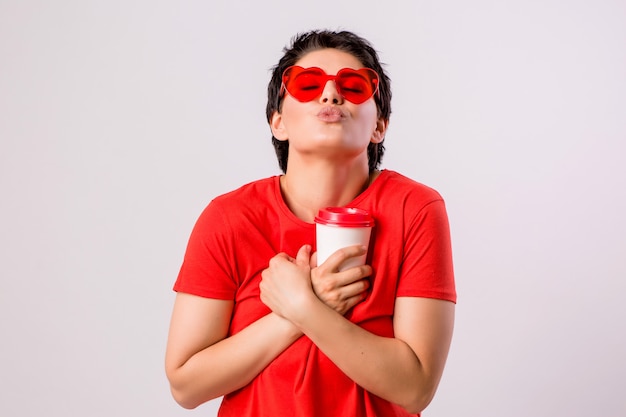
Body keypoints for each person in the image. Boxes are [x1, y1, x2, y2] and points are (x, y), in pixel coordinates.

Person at [165, 29, 456, 417]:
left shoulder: (415, 208)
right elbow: (186, 385)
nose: (331, 94)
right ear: (278, 122)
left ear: (379, 126)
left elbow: (415, 386)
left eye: (354, 86)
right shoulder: (229, 218)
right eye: (308, 84)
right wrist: (300, 310)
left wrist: (305, 306)